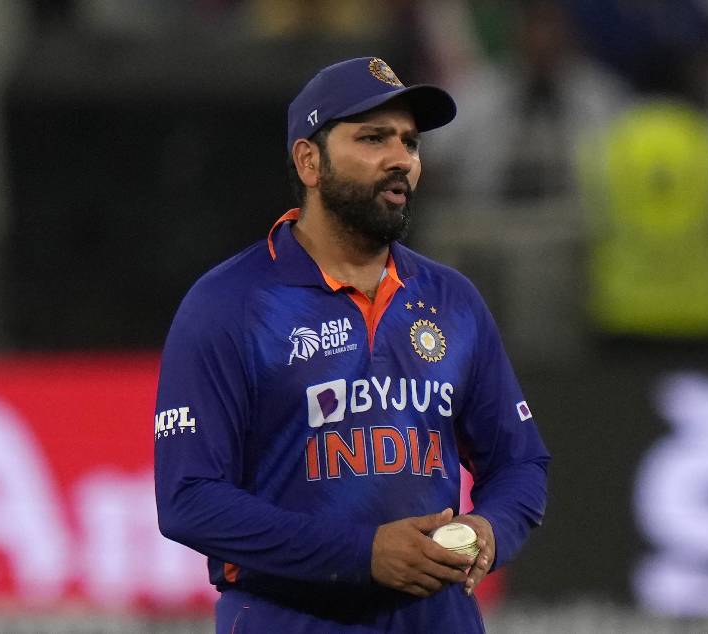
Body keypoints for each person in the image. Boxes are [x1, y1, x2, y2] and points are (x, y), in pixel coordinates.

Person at [154, 56, 549, 633]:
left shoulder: (453, 300)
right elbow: (189, 498)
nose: (401, 159)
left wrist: (490, 529)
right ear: (309, 161)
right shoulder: (229, 304)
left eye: (410, 143)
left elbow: (521, 461)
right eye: (373, 138)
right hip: (291, 618)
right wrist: (362, 554)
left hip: (438, 619)